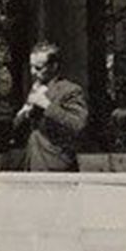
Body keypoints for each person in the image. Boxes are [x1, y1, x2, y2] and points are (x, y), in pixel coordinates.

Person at [14, 42, 89, 172]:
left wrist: (47, 105)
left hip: (57, 167)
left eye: (38, 68)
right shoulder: (35, 90)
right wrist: (26, 113)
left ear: (53, 66)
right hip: (32, 165)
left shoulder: (70, 90)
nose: (32, 72)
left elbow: (78, 124)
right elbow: (17, 128)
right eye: (31, 67)